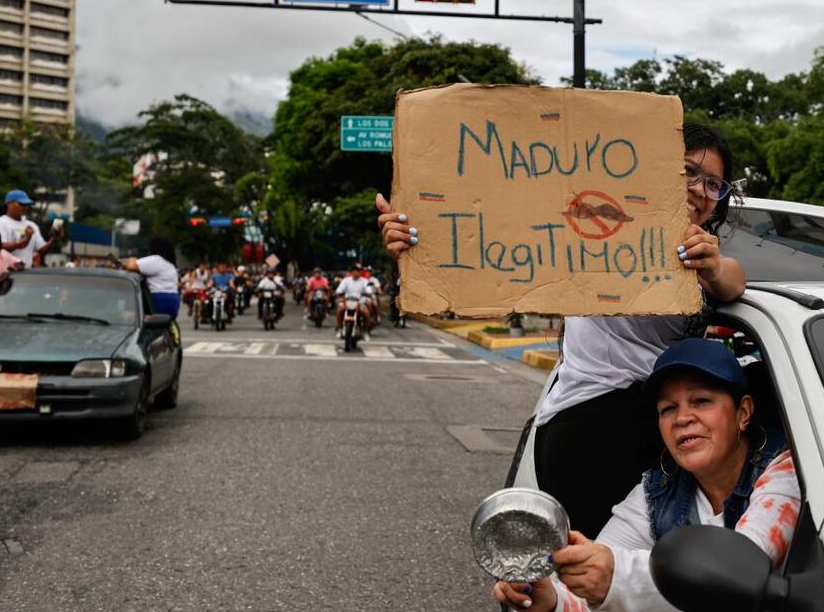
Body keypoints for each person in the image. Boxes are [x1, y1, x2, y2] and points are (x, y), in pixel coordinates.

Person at [377, 123, 746, 537]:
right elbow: (493, 247)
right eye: (687, 172)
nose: (698, 188)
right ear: (656, 171)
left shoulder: (703, 259)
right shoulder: (596, 230)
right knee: (595, 577)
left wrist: (712, 267)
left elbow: (733, 281)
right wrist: (418, 243)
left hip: (663, 428)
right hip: (594, 426)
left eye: (713, 183)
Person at [493, 338, 799, 612]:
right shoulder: (657, 489)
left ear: (743, 413)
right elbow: (600, 574)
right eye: (668, 408)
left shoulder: (786, 469)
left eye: (701, 401)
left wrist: (614, 577)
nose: (682, 418)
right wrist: (553, 600)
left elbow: (739, 569)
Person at [0, 190, 63, 268]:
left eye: (27, 204)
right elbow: (1, 249)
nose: (25, 207)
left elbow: (42, 250)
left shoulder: (31, 225)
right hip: (5, 274)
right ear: (9, 204)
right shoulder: (0, 223)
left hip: (26, 273)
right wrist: (25, 240)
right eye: (21, 204)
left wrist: (54, 239)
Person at [122, 235, 181, 319]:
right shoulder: (170, 264)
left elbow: (131, 266)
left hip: (159, 300)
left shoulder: (156, 260)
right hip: (173, 301)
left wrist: (132, 256)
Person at [335, 263, 372, 339]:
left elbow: (369, 290)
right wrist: (338, 292)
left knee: (366, 313)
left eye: (358, 271)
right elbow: (340, 289)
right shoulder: (346, 280)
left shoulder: (365, 281)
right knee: (339, 310)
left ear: (360, 272)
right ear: (351, 272)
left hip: (360, 301)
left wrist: (368, 292)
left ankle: (365, 331)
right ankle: (340, 329)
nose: (356, 272)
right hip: (347, 301)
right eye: (354, 271)